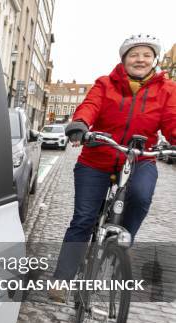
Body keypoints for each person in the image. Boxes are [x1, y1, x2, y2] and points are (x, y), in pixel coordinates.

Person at [49, 34, 176, 301]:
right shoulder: (105, 83)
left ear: (154, 60)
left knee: (141, 196)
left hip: (139, 159)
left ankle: (123, 242)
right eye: (134, 54)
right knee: (84, 219)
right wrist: (81, 124)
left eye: (146, 55)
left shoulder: (167, 89)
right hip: (97, 158)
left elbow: (172, 120)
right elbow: (91, 105)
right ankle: (62, 279)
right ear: (124, 59)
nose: (140, 59)